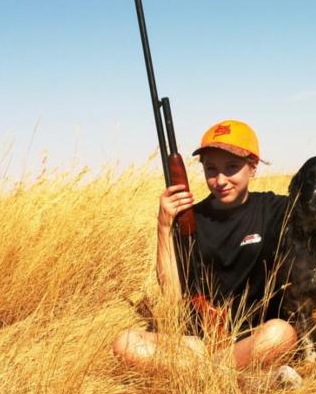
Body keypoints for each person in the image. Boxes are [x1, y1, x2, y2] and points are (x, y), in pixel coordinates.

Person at [113, 120, 299, 371]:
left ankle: (201, 374)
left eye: (232, 167)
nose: (220, 180)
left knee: (281, 334)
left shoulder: (274, 208)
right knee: (125, 342)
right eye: (211, 169)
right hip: (197, 343)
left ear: (252, 168)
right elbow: (171, 295)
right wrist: (164, 226)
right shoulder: (191, 219)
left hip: (253, 336)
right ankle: (234, 378)